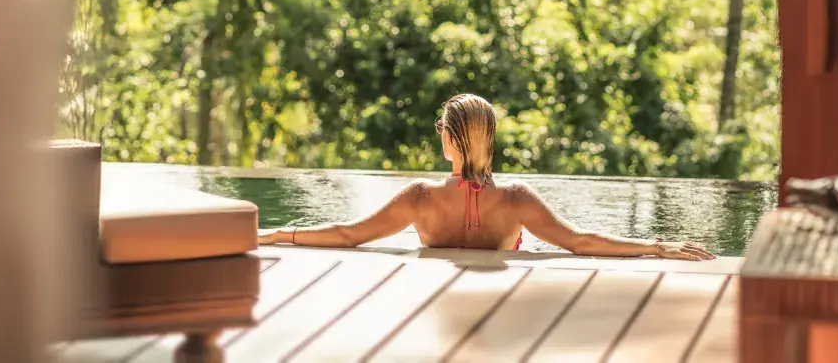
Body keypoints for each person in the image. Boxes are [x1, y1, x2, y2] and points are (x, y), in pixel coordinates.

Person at [258, 93, 715, 260]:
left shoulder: (420, 197)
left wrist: (276, 234)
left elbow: (348, 235)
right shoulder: (517, 199)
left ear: (450, 141)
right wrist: (657, 246)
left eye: (442, 129)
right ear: (489, 140)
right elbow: (582, 242)